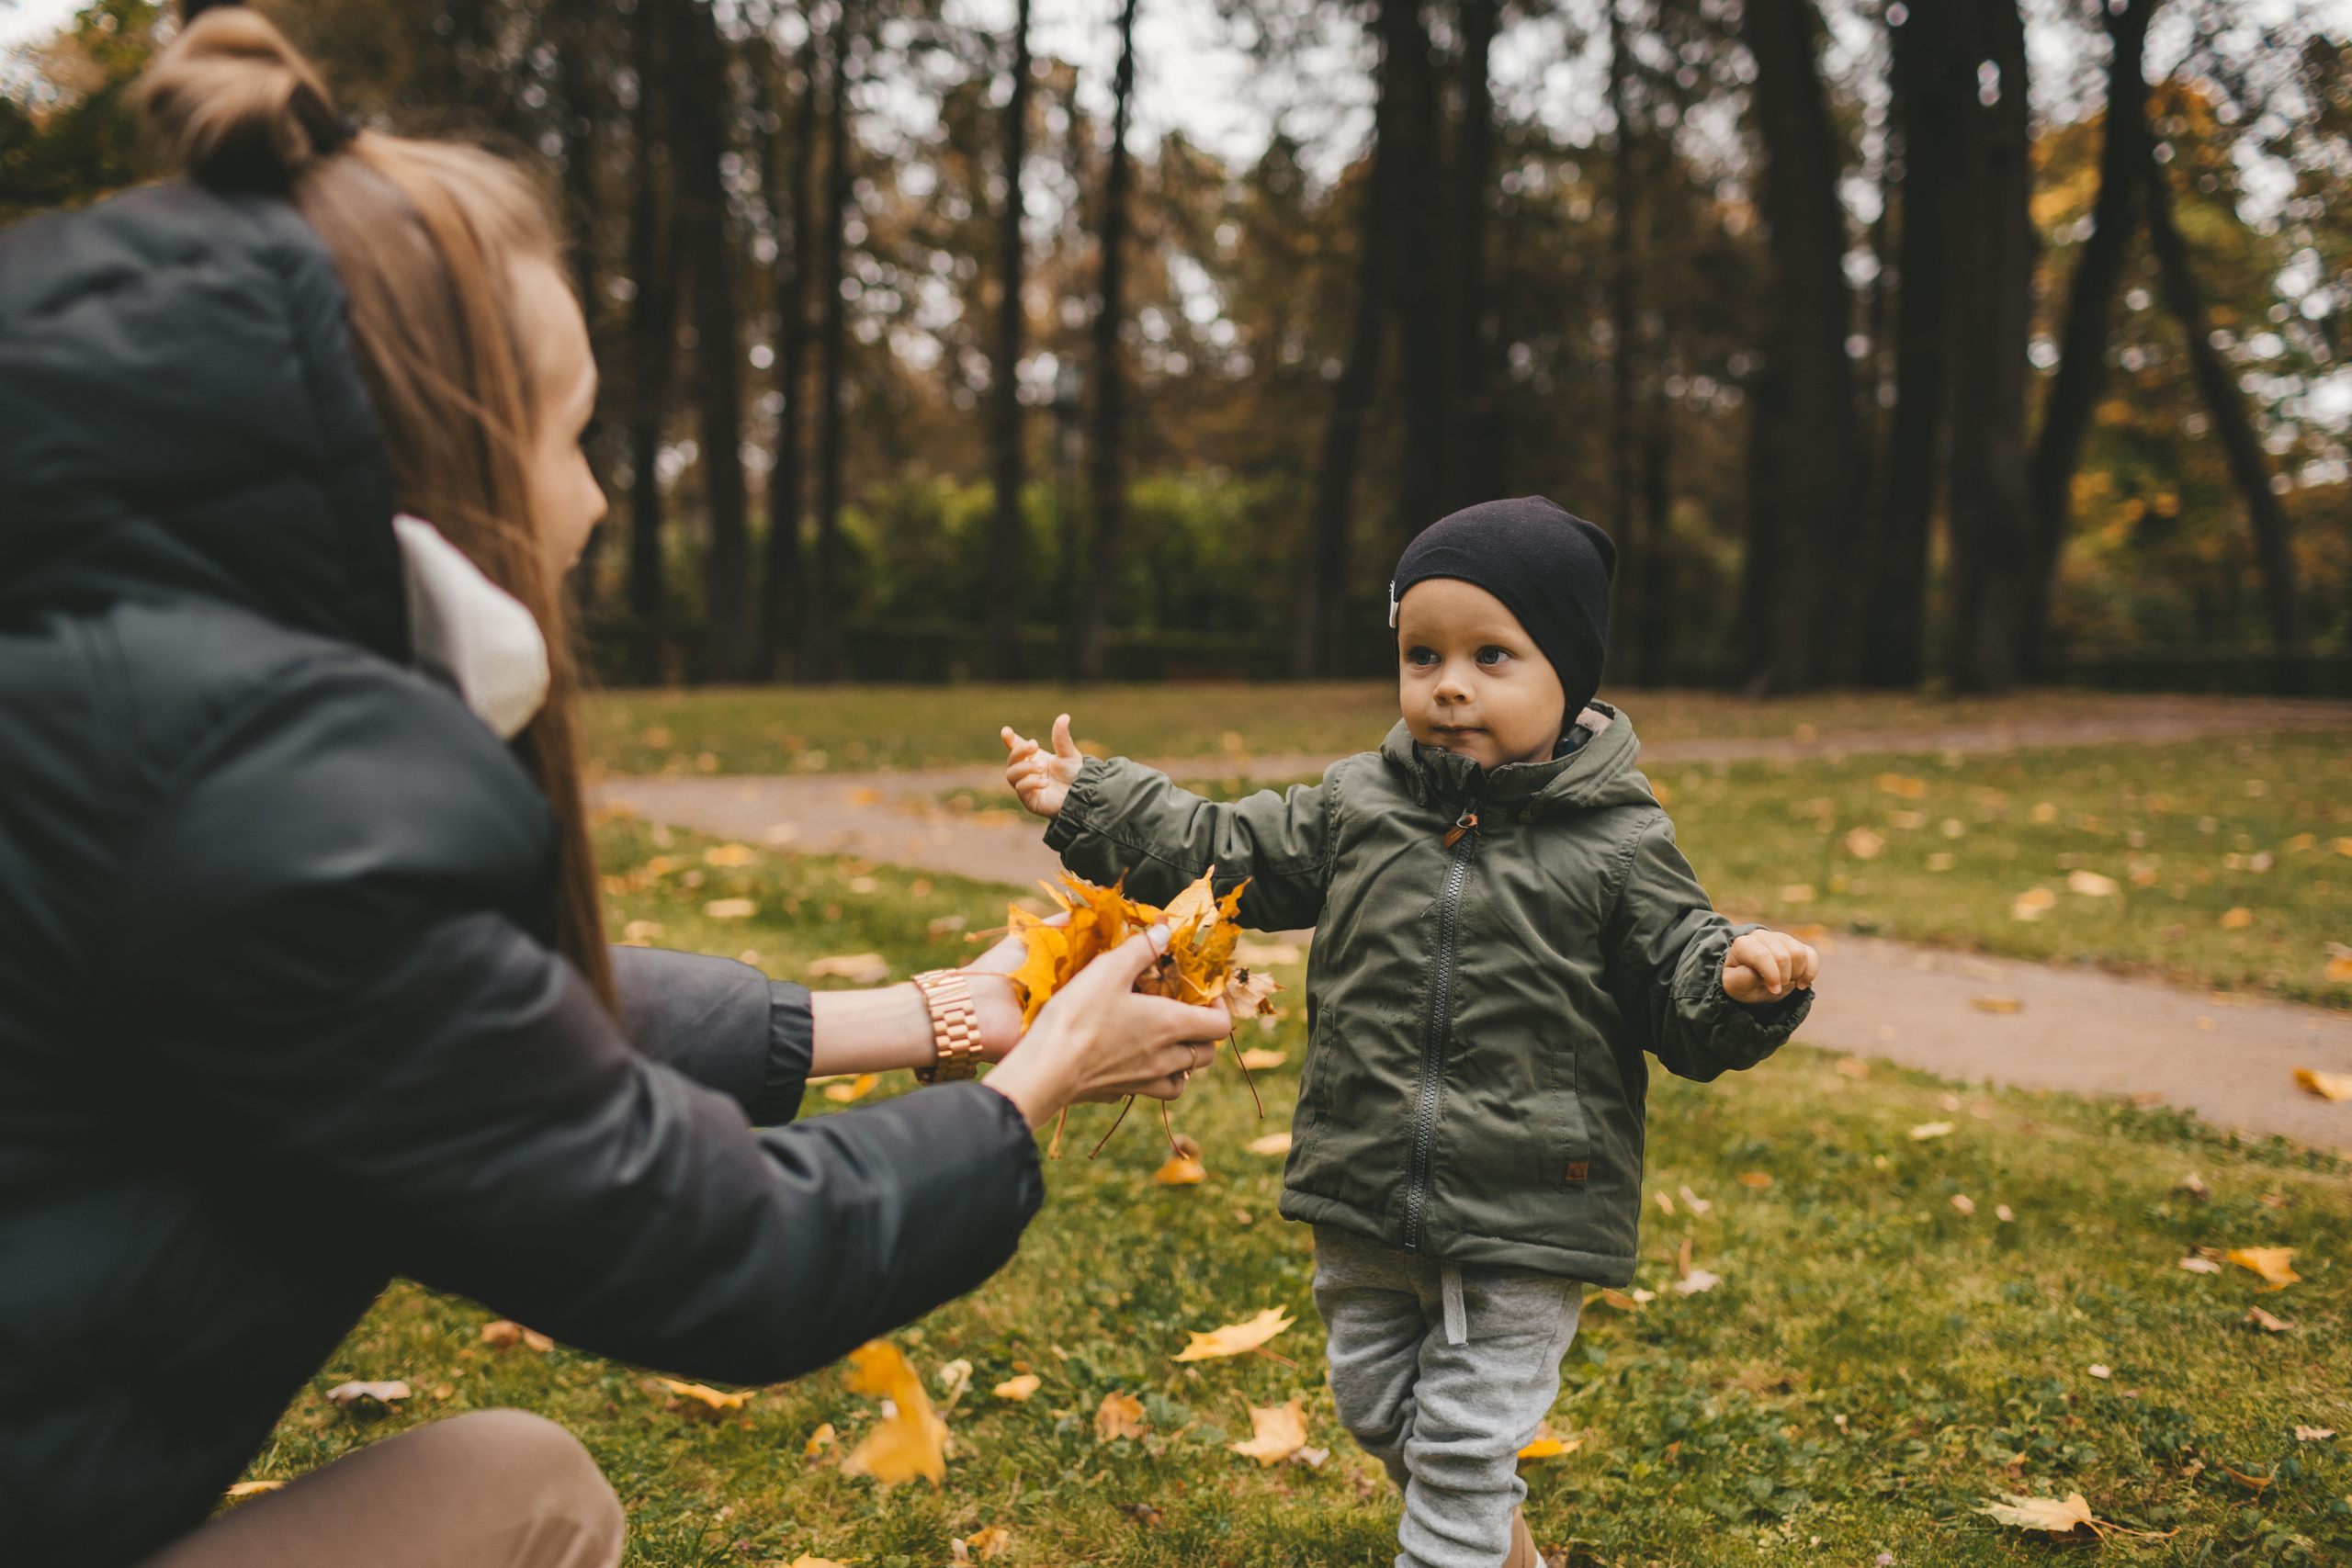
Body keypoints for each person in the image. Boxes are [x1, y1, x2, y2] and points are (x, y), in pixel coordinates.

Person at [0, 7, 1232, 1567]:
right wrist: (1033, 1083)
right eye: (571, 437)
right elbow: (730, 1258)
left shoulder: (113, 692)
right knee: (526, 1498)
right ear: (427, 465)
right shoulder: (247, 802)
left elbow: (472, 1016)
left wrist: (931, 1014)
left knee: (524, 1481)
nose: (591, 499)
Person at [1002, 496, 1822, 1568]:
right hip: (1363, 1178)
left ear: (1567, 671)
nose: (1447, 684)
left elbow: (1679, 970)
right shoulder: (1357, 802)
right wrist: (1093, 800)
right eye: (1420, 653)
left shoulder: (1620, 844)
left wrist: (1737, 980)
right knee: (1380, 1411)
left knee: (1464, 1448)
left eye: (1492, 655)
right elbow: (1222, 846)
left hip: (1527, 1201)